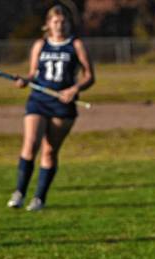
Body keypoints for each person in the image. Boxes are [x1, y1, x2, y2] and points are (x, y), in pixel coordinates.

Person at [6, 4, 94, 212]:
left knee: (50, 151)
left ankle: (39, 198)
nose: (60, 26)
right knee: (30, 145)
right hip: (39, 100)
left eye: (64, 22)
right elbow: (33, 73)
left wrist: (74, 89)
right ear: (48, 24)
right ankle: (19, 192)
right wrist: (24, 81)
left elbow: (90, 76)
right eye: (56, 22)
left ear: (70, 23)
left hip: (63, 105)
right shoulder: (40, 45)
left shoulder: (76, 45)